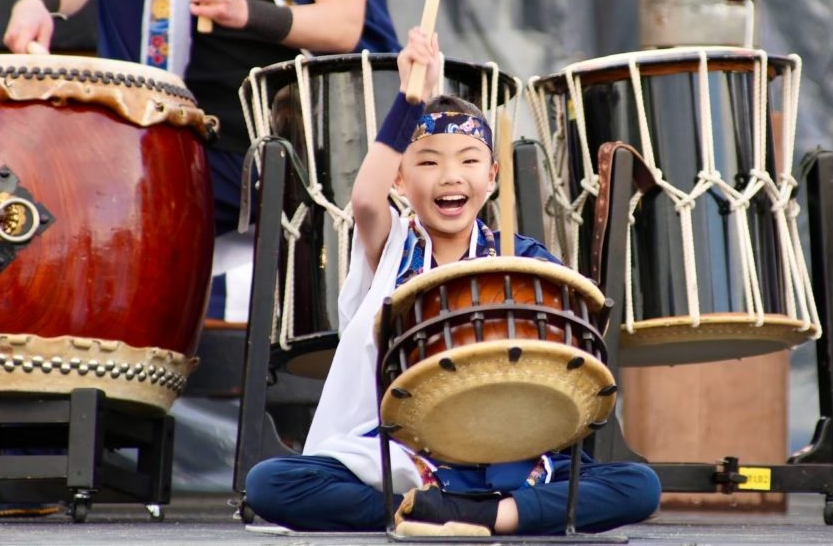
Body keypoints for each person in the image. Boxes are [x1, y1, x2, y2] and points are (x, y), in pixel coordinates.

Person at [243, 28, 661, 536]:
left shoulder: (525, 260)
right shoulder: (393, 249)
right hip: (409, 451)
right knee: (271, 484)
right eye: (428, 161)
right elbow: (366, 202)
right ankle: (453, 509)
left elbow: (565, 355)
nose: (450, 176)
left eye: (468, 161)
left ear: (492, 176)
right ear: (401, 179)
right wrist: (408, 101)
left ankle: (476, 515)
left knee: (638, 486)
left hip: (513, 450)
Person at [5, 0, 400, 318]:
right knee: (92, 220)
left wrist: (245, 11)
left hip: (300, 142)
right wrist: (37, 2)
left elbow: (343, 25)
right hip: (196, 133)